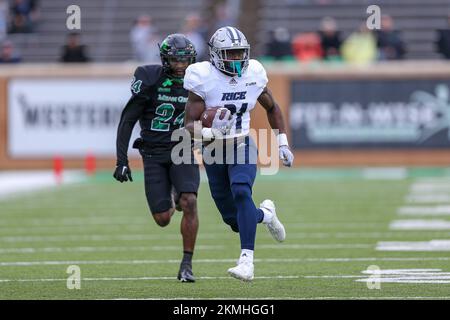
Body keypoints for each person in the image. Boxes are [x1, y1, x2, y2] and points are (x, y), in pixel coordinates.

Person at [183, 26, 294, 281]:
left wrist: (282, 143)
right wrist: (211, 133)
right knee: (234, 220)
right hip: (213, 150)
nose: (236, 59)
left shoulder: (253, 73)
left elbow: (273, 107)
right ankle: (265, 214)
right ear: (215, 54)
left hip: (242, 142)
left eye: (239, 53)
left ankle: (246, 261)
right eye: (230, 53)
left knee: (242, 190)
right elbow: (189, 126)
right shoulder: (202, 76)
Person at [113, 34, 200, 282]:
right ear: (164, 59)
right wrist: (122, 160)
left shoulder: (199, 81)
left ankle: (187, 265)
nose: (181, 66)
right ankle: (173, 198)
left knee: (190, 201)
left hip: (182, 149)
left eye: (185, 61)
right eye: (175, 60)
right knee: (162, 219)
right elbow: (128, 118)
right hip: (153, 152)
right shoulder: (149, 77)